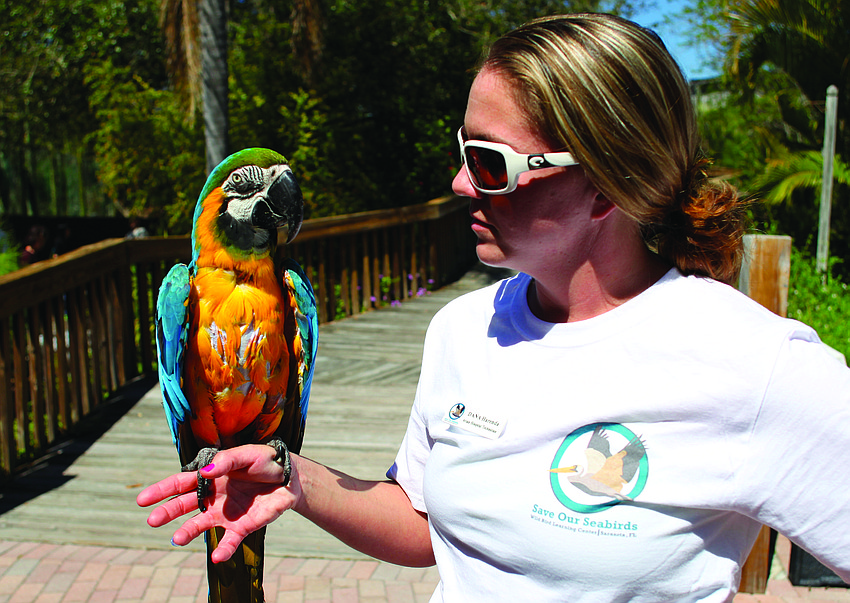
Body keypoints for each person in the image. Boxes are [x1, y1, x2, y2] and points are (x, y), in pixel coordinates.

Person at [137, 13, 850, 601]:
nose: (456, 182)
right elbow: (425, 524)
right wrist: (292, 478)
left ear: (606, 184)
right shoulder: (462, 329)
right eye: (462, 151)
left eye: (488, 164)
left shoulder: (755, 366)